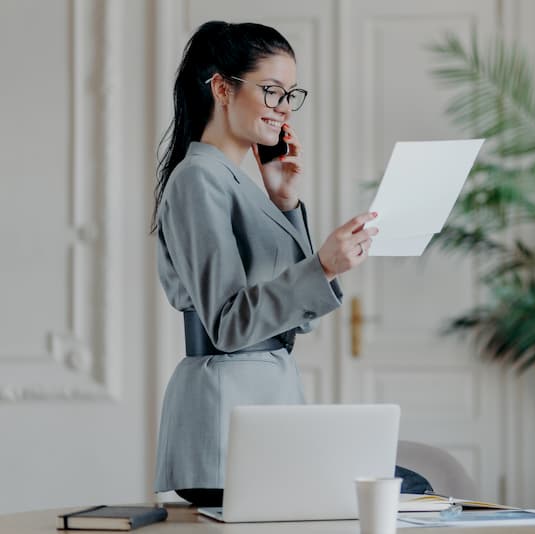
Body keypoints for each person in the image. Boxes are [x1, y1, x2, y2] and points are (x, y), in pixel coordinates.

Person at [151, 21, 430, 507]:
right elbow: (227, 324)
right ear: (222, 87)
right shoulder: (197, 179)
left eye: (290, 94)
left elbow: (294, 321)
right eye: (271, 91)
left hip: (266, 411)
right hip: (223, 426)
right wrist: (321, 267)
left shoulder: (238, 182)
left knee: (410, 488)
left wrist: (285, 204)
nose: (283, 107)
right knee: (402, 491)